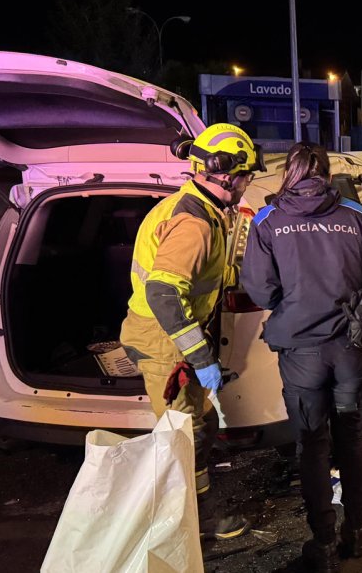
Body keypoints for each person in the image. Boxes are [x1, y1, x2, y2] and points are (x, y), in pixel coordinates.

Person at [241, 143, 362, 572]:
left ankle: (323, 542)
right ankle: (357, 531)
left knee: (312, 443)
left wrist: (294, 305)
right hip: (350, 349)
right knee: (351, 436)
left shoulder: (269, 220)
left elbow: (258, 288)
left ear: (288, 173)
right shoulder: (355, 216)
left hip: (301, 350)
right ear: (326, 173)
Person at [120, 122, 264, 540]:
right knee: (184, 436)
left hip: (163, 330)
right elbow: (165, 292)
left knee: (195, 425)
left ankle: (193, 508)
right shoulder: (195, 224)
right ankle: (190, 525)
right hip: (162, 335)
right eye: (246, 176)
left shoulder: (196, 207)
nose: (246, 184)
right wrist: (200, 358)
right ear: (227, 175)